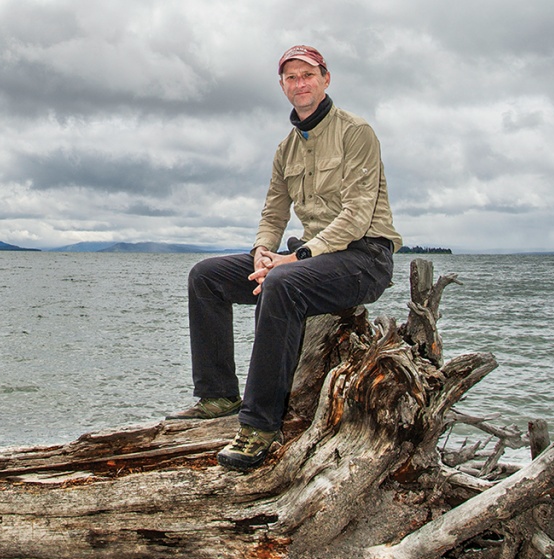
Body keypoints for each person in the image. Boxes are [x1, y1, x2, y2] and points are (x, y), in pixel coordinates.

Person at [168, 45, 402, 472]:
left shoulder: (356, 132)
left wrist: (294, 258)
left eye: (307, 75)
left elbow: (356, 214)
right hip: (309, 258)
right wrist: (262, 250)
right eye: (291, 78)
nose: (300, 83)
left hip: (364, 257)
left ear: (325, 79)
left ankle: (260, 425)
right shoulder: (286, 149)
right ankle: (218, 395)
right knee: (206, 276)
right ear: (283, 87)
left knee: (282, 283)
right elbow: (274, 211)